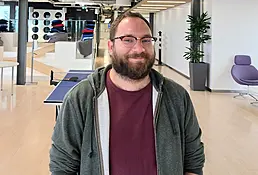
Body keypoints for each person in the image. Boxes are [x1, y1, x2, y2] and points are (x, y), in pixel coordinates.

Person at [49, 11, 205, 175]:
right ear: (111, 47)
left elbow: (193, 161)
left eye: (146, 40)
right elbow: (62, 167)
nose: (139, 48)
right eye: (128, 40)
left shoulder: (177, 97)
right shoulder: (80, 99)